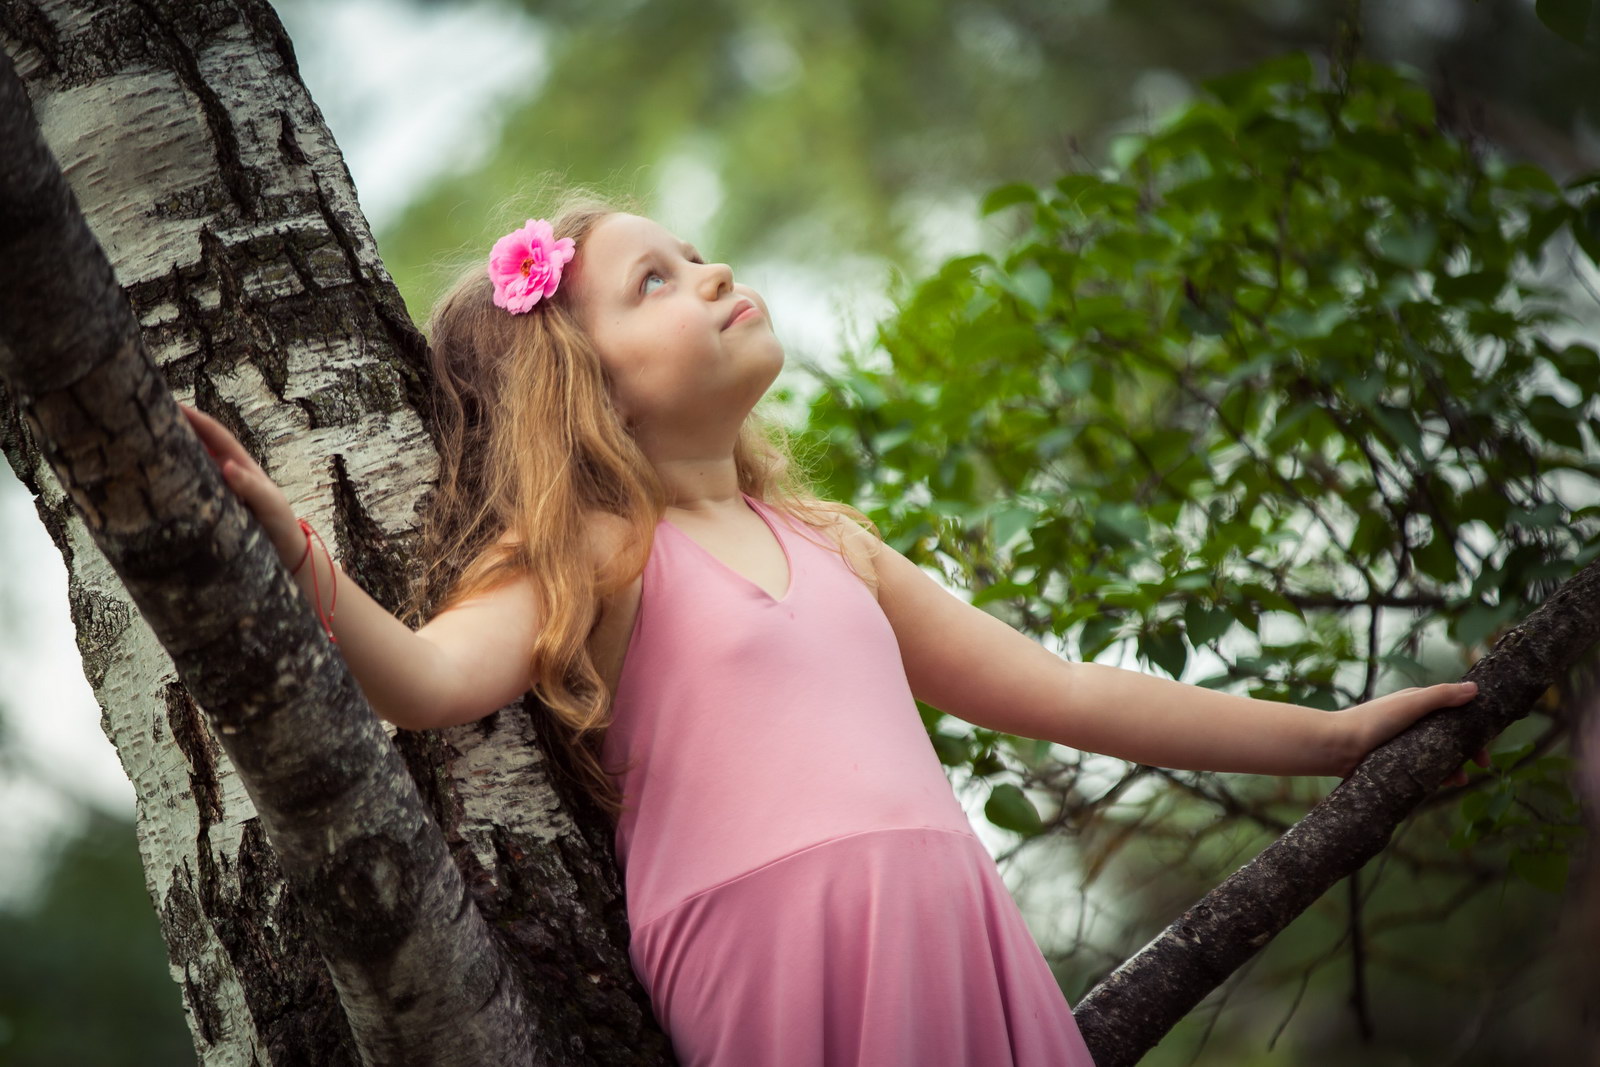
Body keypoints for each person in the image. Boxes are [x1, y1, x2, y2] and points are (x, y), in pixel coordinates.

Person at [179, 190, 1490, 1066]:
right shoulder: (596, 551)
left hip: (950, 916)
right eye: (658, 283)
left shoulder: (836, 545)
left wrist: (1337, 736)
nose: (714, 275)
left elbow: (1073, 694)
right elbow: (424, 681)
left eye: (693, 258)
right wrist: (291, 559)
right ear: (589, 388)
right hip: (770, 941)